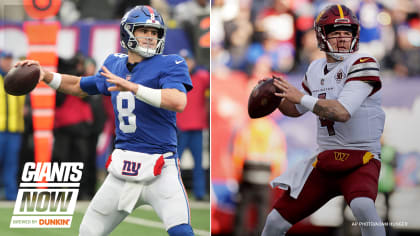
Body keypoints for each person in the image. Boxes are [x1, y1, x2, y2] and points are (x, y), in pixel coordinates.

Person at [16, 6, 194, 236]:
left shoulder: (170, 63)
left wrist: (134, 87)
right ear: (128, 32)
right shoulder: (115, 63)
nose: (150, 36)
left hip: (160, 168)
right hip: (122, 170)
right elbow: (81, 86)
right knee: (88, 232)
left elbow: (178, 101)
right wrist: (46, 76)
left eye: (155, 32)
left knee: (181, 231)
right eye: (143, 30)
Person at [261, 4, 386, 236]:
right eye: (336, 33)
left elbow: (342, 112)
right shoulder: (316, 67)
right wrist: (275, 97)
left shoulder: (364, 62)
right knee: (275, 221)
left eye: (347, 33)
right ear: (322, 35)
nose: (342, 38)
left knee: (362, 205)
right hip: (325, 161)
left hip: (360, 158)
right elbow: (296, 109)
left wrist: (302, 97)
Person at [176, 49, 210, 201]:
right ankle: (173, 192)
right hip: (180, 127)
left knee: (199, 164)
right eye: (183, 60)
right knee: (174, 164)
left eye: (188, 60)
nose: (186, 63)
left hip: (197, 127)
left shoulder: (203, 77)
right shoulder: (174, 79)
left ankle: (200, 193)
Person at [0, 50, 25, 201]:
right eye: (5, 59)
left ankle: (10, 194)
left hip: (15, 128)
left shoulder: (16, 78)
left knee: (12, 164)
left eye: (9, 59)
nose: (8, 63)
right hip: (0, 128)